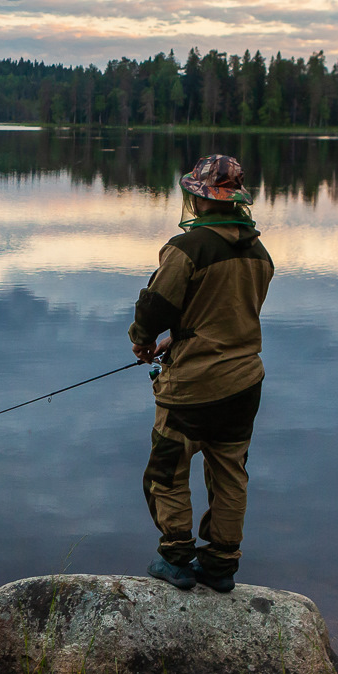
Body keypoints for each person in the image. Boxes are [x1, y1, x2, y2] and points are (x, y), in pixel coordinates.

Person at [128, 154, 274, 594]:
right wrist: (182, 336)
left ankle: (175, 557)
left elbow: (155, 308)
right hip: (244, 384)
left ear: (198, 197)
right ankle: (221, 565)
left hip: (193, 389)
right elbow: (225, 316)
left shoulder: (185, 249)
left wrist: (143, 338)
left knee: (166, 470)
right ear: (237, 202)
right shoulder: (259, 252)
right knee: (230, 473)